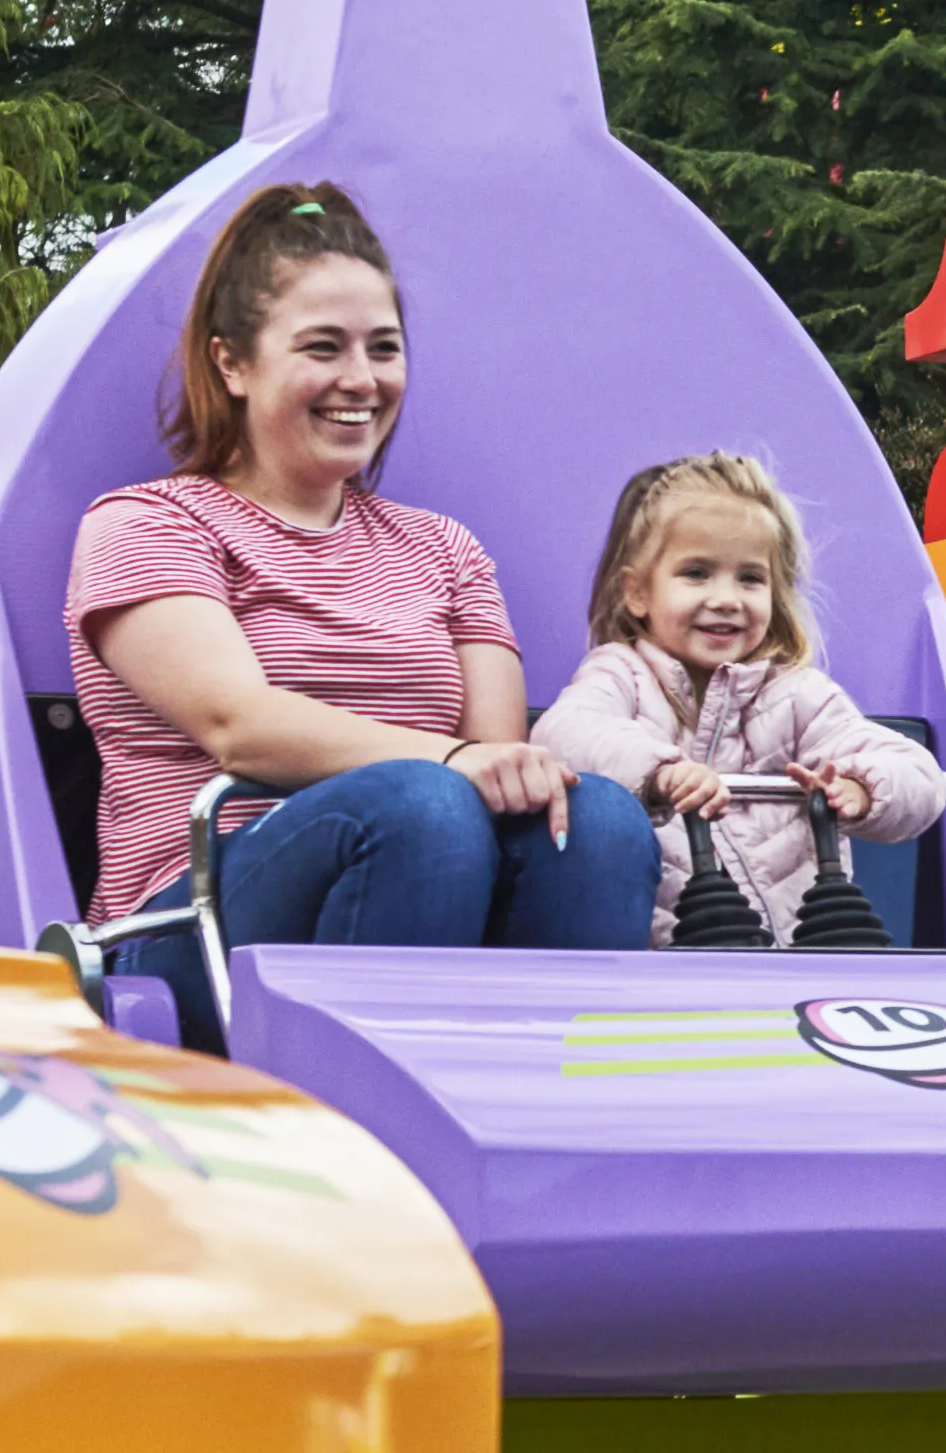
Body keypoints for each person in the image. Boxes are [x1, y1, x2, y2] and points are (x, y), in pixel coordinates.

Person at [66, 176, 648, 951]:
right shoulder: (149, 525)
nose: (360, 380)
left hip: (436, 877)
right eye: (321, 347)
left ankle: (541, 1059)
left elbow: (502, 771)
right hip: (194, 921)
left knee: (597, 820)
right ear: (233, 364)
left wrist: (484, 770)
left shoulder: (446, 550)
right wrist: (447, 762)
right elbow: (238, 726)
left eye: (383, 348)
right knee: (422, 804)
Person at [527, 452, 946, 951]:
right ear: (637, 592)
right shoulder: (623, 675)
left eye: (750, 578)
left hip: (797, 963)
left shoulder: (795, 695)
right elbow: (565, 732)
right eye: (697, 573)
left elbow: (917, 772)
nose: (726, 598)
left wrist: (861, 787)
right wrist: (660, 772)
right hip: (676, 960)